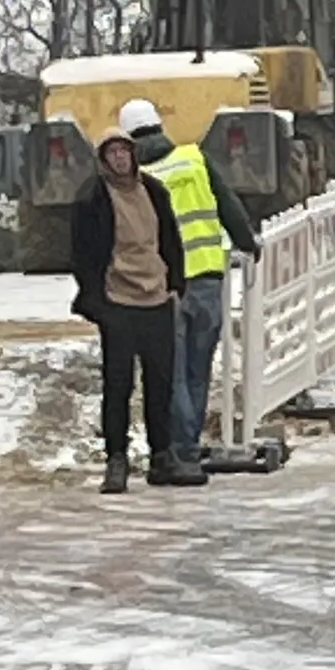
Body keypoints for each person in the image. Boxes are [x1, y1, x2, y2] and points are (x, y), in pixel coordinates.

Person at [119, 99, 260, 470]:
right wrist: (247, 243)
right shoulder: (194, 158)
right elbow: (228, 205)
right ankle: (190, 443)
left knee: (174, 372)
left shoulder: (137, 180)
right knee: (198, 371)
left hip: (165, 287)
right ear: (158, 126)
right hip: (209, 279)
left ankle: (181, 450)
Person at [70, 128, 193, 494]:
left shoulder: (153, 192)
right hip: (118, 301)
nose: (120, 158)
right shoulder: (92, 198)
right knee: (119, 383)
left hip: (156, 298)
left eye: (125, 151)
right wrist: (96, 301)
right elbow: (82, 253)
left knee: (161, 382)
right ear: (103, 159)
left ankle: (162, 456)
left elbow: (170, 238)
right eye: (113, 152)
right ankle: (117, 460)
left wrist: (175, 283)